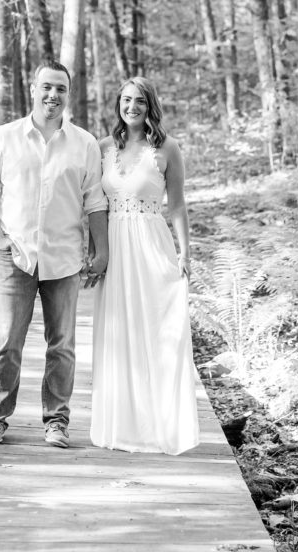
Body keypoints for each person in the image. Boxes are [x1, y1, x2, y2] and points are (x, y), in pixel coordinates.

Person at [0, 59, 108, 450]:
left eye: (61, 89)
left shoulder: (84, 144)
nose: (53, 95)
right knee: (7, 341)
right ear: (33, 88)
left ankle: (57, 422)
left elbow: (95, 201)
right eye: (47, 87)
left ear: (68, 94)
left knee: (61, 344)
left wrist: (102, 250)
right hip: (15, 256)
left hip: (64, 258)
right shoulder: (4, 137)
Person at [90, 76, 200, 455]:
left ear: (150, 105)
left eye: (139, 100)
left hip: (152, 246)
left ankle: (162, 425)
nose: (131, 106)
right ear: (118, 105)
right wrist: (94, 251)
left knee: (159, 331)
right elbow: (92, 204)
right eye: (125, 100)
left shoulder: (167, 147)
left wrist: (186, 252)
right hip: (115, 250)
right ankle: (124, 425)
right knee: (119, 333)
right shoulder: (103, 147)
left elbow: (178, 205)